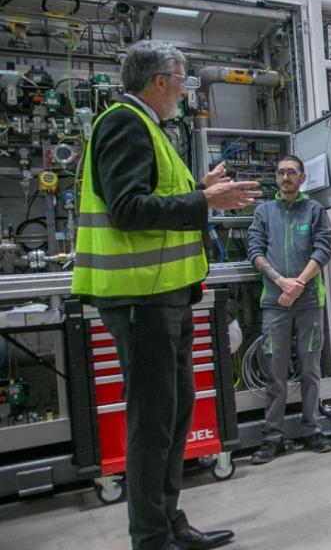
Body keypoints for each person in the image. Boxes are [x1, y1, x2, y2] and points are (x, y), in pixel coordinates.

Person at [71, 40, 261, 549]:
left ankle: (169, 521)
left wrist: (202, 188)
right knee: (153, 423)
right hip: (141, 299)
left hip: (166, 296)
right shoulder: (123, 123)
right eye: (181, 81)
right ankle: (151, 537)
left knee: (174, 414)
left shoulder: (148, 128)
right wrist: (203, 199)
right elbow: (128, 209)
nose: (184, 91)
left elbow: (154, 199)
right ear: (160, 81)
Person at [247, 155, 331, 464]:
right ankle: (273, 437)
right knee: (275, 373)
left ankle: (312, 429)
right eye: (281, 172)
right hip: (275, 303)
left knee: (310, 370)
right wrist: (281, 282)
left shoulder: (314, 211)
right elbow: (255, 251)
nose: (285, 177)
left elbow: (323, 248)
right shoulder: (263, 212)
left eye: (292, 172)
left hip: (309, 301)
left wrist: (297, 283)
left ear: (302, 178)